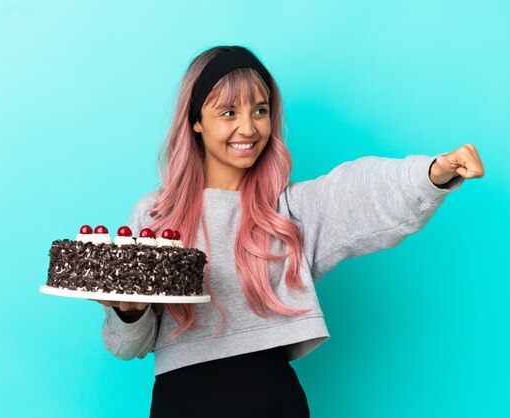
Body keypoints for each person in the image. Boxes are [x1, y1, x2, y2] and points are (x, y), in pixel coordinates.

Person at [94, 45, 485, 417]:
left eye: (260, 110)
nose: (248, 128)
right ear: (195, 121)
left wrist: (431, 173)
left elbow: (357, 191)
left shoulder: (287, 210)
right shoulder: (156, 215)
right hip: (181, 403)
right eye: (228, 112)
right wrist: (129, 314)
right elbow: (129, 345)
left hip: (272, 401)